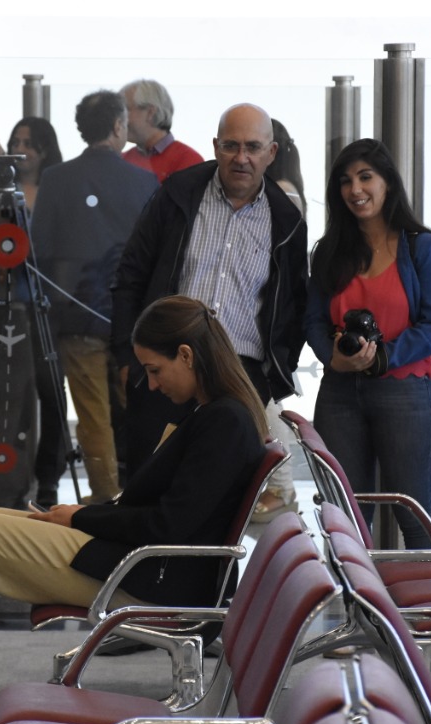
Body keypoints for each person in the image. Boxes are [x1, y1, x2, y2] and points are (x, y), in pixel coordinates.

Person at [0, 295, 267, 724]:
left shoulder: (223, 420)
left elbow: (169, 524)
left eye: (155, 369)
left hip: (146, 577)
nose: (151, 383)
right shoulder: (217, 415)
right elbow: (165, 515)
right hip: (141, 563)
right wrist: (83, 514)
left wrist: (80, 516)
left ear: (187, 355)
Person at [111, 103, 308, 476]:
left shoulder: (287, 221)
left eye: (253, 147)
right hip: (164, 368)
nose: (241, 158)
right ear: (216, 146)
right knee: (147, 484)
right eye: (231, 146)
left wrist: (268, 379)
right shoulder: (178, 194)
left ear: (271, 153)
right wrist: (127, 359)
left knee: (218, 495)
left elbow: (294, 308)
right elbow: (130, 275)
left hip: (239, 376)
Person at [305, 139, 431, 547]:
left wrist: (384, 356)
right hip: (339, 393)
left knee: (413, 513)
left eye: (366, 177)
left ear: (388, 181)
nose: (355, 190)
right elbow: (314, 320)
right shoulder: (329, 252)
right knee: (345, 517)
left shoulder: (422, 247)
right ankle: (359, 608)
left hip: (404, 391)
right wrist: (331, 357)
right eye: (345, 181)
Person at [32, 90, 159, 504]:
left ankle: (105, 498)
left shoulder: (55, 180)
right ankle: (142, 494)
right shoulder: (143, 181)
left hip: (76, 315)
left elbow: (41, 249)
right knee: (141, 409)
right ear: (119, 126)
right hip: (133, 321)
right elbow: (152, 254)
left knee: (91, 417)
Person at [6, 115, 67, 505]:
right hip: (8, 308)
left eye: (30, 142)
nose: (23, 148)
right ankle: (11, 478)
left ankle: (48, 476)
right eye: (17, 140)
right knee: (13, 395)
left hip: (51, 307)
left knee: (51, 393)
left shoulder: (58, 191)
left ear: (46, 149)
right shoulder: (0, 191)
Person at [255, 117, 307, 520]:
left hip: (267, 319)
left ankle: (283, 486)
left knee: (267, 407)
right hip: (268, 316)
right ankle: (277, 485)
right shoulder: (286, 191)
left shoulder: (280, 195)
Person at [120, 79, 203, 183]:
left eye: (125, 110)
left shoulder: (189, 161)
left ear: (150, 113)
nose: (119, 119)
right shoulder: (122, 159)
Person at [7, 115, 61, 214]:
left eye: (28, 144)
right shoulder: (4, 190)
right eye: (15, 143)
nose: (19, 150)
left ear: (45, 151)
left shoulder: (59, 191)